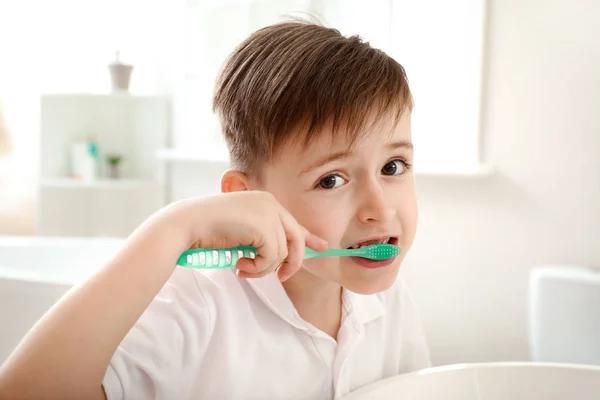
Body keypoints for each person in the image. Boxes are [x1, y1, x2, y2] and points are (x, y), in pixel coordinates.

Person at [0, 20, 431, 399]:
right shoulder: (197, 304)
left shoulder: (390, 300)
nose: (378, 208)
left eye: (393, 167)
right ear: (243, 196)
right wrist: (173, 228)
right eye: (331, 180)